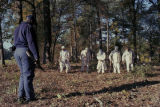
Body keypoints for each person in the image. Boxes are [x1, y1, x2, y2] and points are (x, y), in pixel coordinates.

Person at [14, 15, 39, 103]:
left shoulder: (18, 28)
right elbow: (31, 41)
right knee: (28, 75)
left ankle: (20, 97)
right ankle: (30, 97)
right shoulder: (28, 27)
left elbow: (15, 41)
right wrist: (36, 55)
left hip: (17, 51)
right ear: (31, 20)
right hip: (25, 52)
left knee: (23, 74)